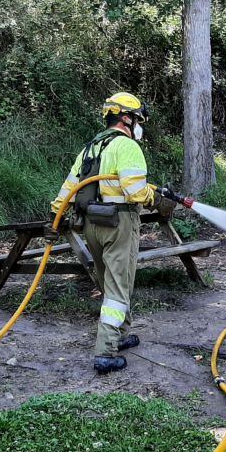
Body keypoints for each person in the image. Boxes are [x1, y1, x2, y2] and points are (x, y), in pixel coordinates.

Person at [51, 92, 172, 374]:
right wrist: (155, 198)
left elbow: (69, 187)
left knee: (110, 282)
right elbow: (134, 191)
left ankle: (119, 335)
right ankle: (105, 352)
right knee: (119, 287)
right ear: (127, 118)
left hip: (91, 223)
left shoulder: (92, 147)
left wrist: (54, 214)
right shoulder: (126, 146)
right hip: (119, 223)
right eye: (138, 119)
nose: (139, 126)